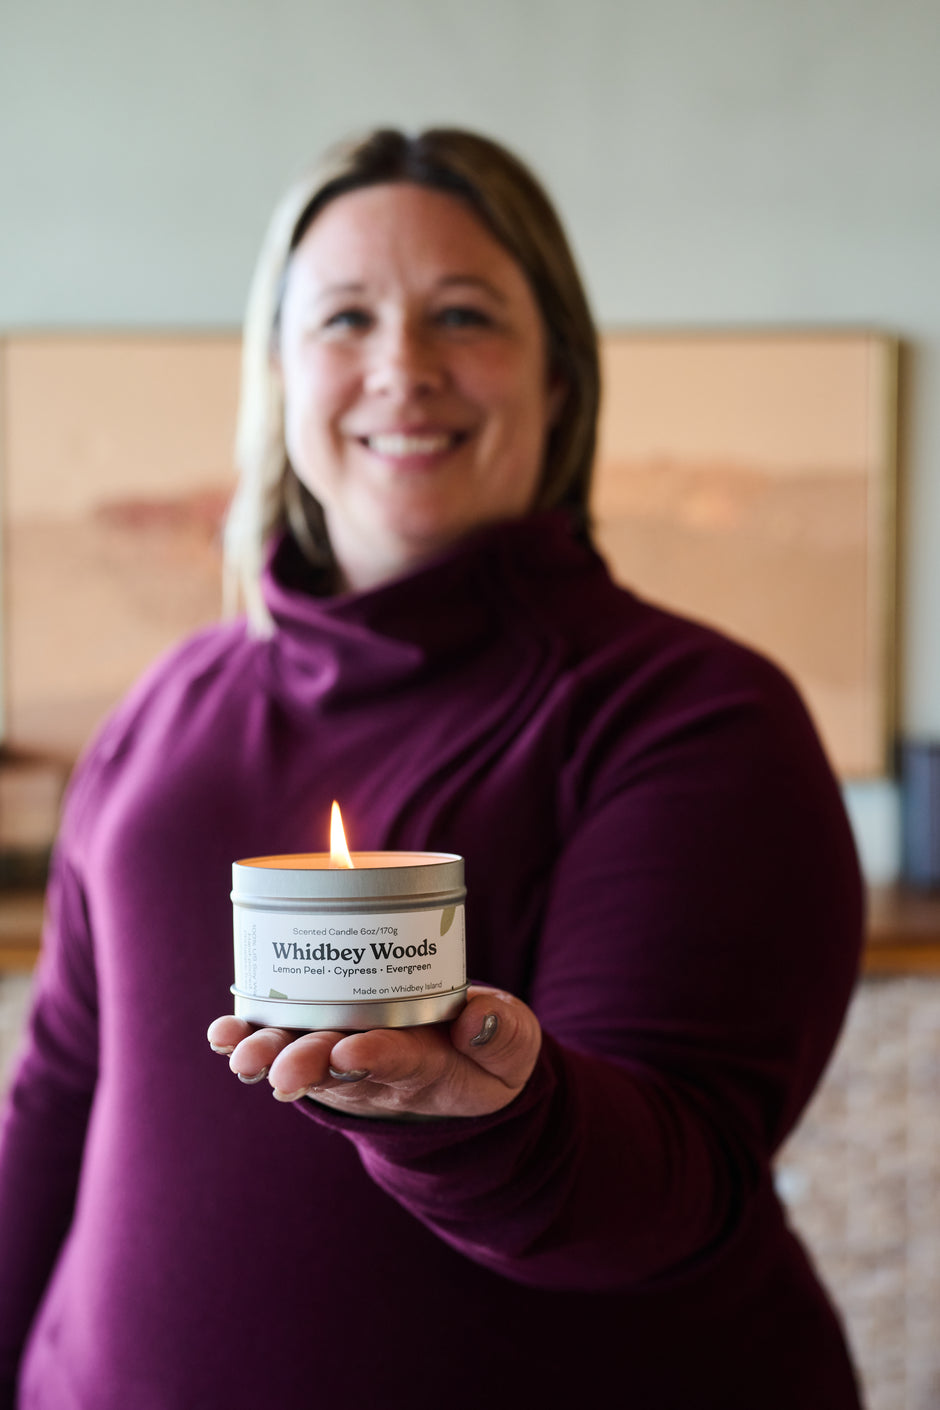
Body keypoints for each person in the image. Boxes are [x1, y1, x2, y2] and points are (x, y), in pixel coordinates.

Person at [0, 128, 864, 1409]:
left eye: (463, 316)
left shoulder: (695, 714)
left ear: (559, 379)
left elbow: (676, 1186)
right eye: (344, 318)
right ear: (280, 377)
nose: (402, 369)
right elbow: (61, 1090)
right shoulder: (167, 707)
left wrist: (486, 1121)